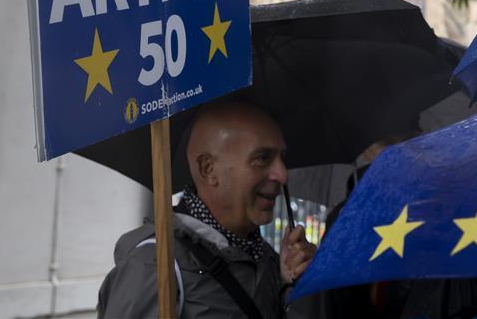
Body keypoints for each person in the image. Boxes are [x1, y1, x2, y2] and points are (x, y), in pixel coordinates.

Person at [98, 101, 317, 318]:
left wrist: (291, 286)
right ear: (208, 169)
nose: (282, 174)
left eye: (282, 158)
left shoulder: (267, 260)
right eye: (262, 158)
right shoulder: (154, 267)